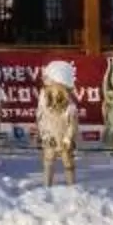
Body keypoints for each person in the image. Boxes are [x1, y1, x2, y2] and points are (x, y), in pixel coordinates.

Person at [35, 59, 80, 188]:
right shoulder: (43, 100)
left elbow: (72, 123)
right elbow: (41, 120)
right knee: (48, 162)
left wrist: (68, 138)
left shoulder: (69, 105)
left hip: (64, 140)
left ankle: (71, 187)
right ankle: (46, 187)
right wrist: (45, 136)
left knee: (68, 163)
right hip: (50, 138)